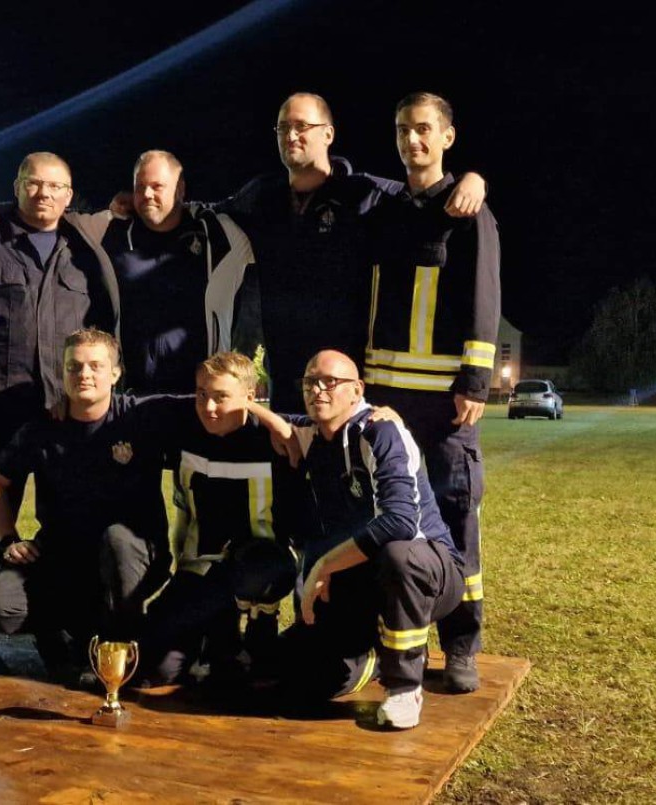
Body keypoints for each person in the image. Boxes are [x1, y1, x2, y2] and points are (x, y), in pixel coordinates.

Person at [0, 152, 119, 674]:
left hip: (64, 414)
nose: (44, 195)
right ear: (16, 186)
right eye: (33, 184)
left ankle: (61, 631)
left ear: (70, 194)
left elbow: (103, 322)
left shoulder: (84, 244)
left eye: (56, 187)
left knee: (67, 522)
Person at [218, 92, 486, 413]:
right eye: (283, 127)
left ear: (328, 134)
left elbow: (423, 196)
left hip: (345, 381)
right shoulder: (261, 197)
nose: (291, 135)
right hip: (286, 378)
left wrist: (473, 181)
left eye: (302, 126)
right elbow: (206, 214)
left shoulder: (364, 195)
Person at [363, 93, 501, 693]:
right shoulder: (383, 211)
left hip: (445, 403)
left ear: (447, 136)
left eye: (423, 129)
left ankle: (462, 646)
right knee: (390, 516)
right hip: (386, 397)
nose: (412, 140)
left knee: (455, 514)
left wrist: (475, 381)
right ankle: (398, 640)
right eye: (403, 130)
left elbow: (483, 297)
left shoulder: (468, 211)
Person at [256, 350, 465, 730]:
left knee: (398, 555)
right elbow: (251, 415)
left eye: (330, 382)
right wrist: (246, 404)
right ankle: (369, 653)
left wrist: (324, 565)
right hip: (360, 578)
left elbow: (400, 522)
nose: (317, 390)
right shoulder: (311, 432)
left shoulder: (380, 431)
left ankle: (404, 685)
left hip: (429, 571)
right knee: (290, 675)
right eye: (310, 382)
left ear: (357, 390)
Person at [0, 150, 254, 395]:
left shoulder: (220, 234)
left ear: (180, 189)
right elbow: (50, 212)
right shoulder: (108, 229)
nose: (147, 194)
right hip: (132, 398)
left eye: (157, 186)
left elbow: (260, 221)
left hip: (203, 398)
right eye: (140, 187)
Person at [0, 328, 172, 684]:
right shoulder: (43, 427)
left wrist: (270, 420)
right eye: (74, 367)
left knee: (117, 541)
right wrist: (9, 539)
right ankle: (63, 636)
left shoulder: (143, 416)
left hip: (131, 556)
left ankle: (121, 646)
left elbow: (215, 404)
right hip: (64, 556)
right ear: (63, 372)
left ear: (116, 373)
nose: (84, 374)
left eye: (96, 366)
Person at [136, 351, 296, 687]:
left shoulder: (274, 437)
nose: (208, 407)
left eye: (221, 397)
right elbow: (118, 405)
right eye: (201, 394)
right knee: (159, 668)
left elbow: (339, 421)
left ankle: (255, 634)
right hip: (200, 568)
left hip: (258, 567)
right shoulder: (183, 424)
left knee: (258, 570)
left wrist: (385, 415)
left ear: (250, 397)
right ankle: (212, 642)